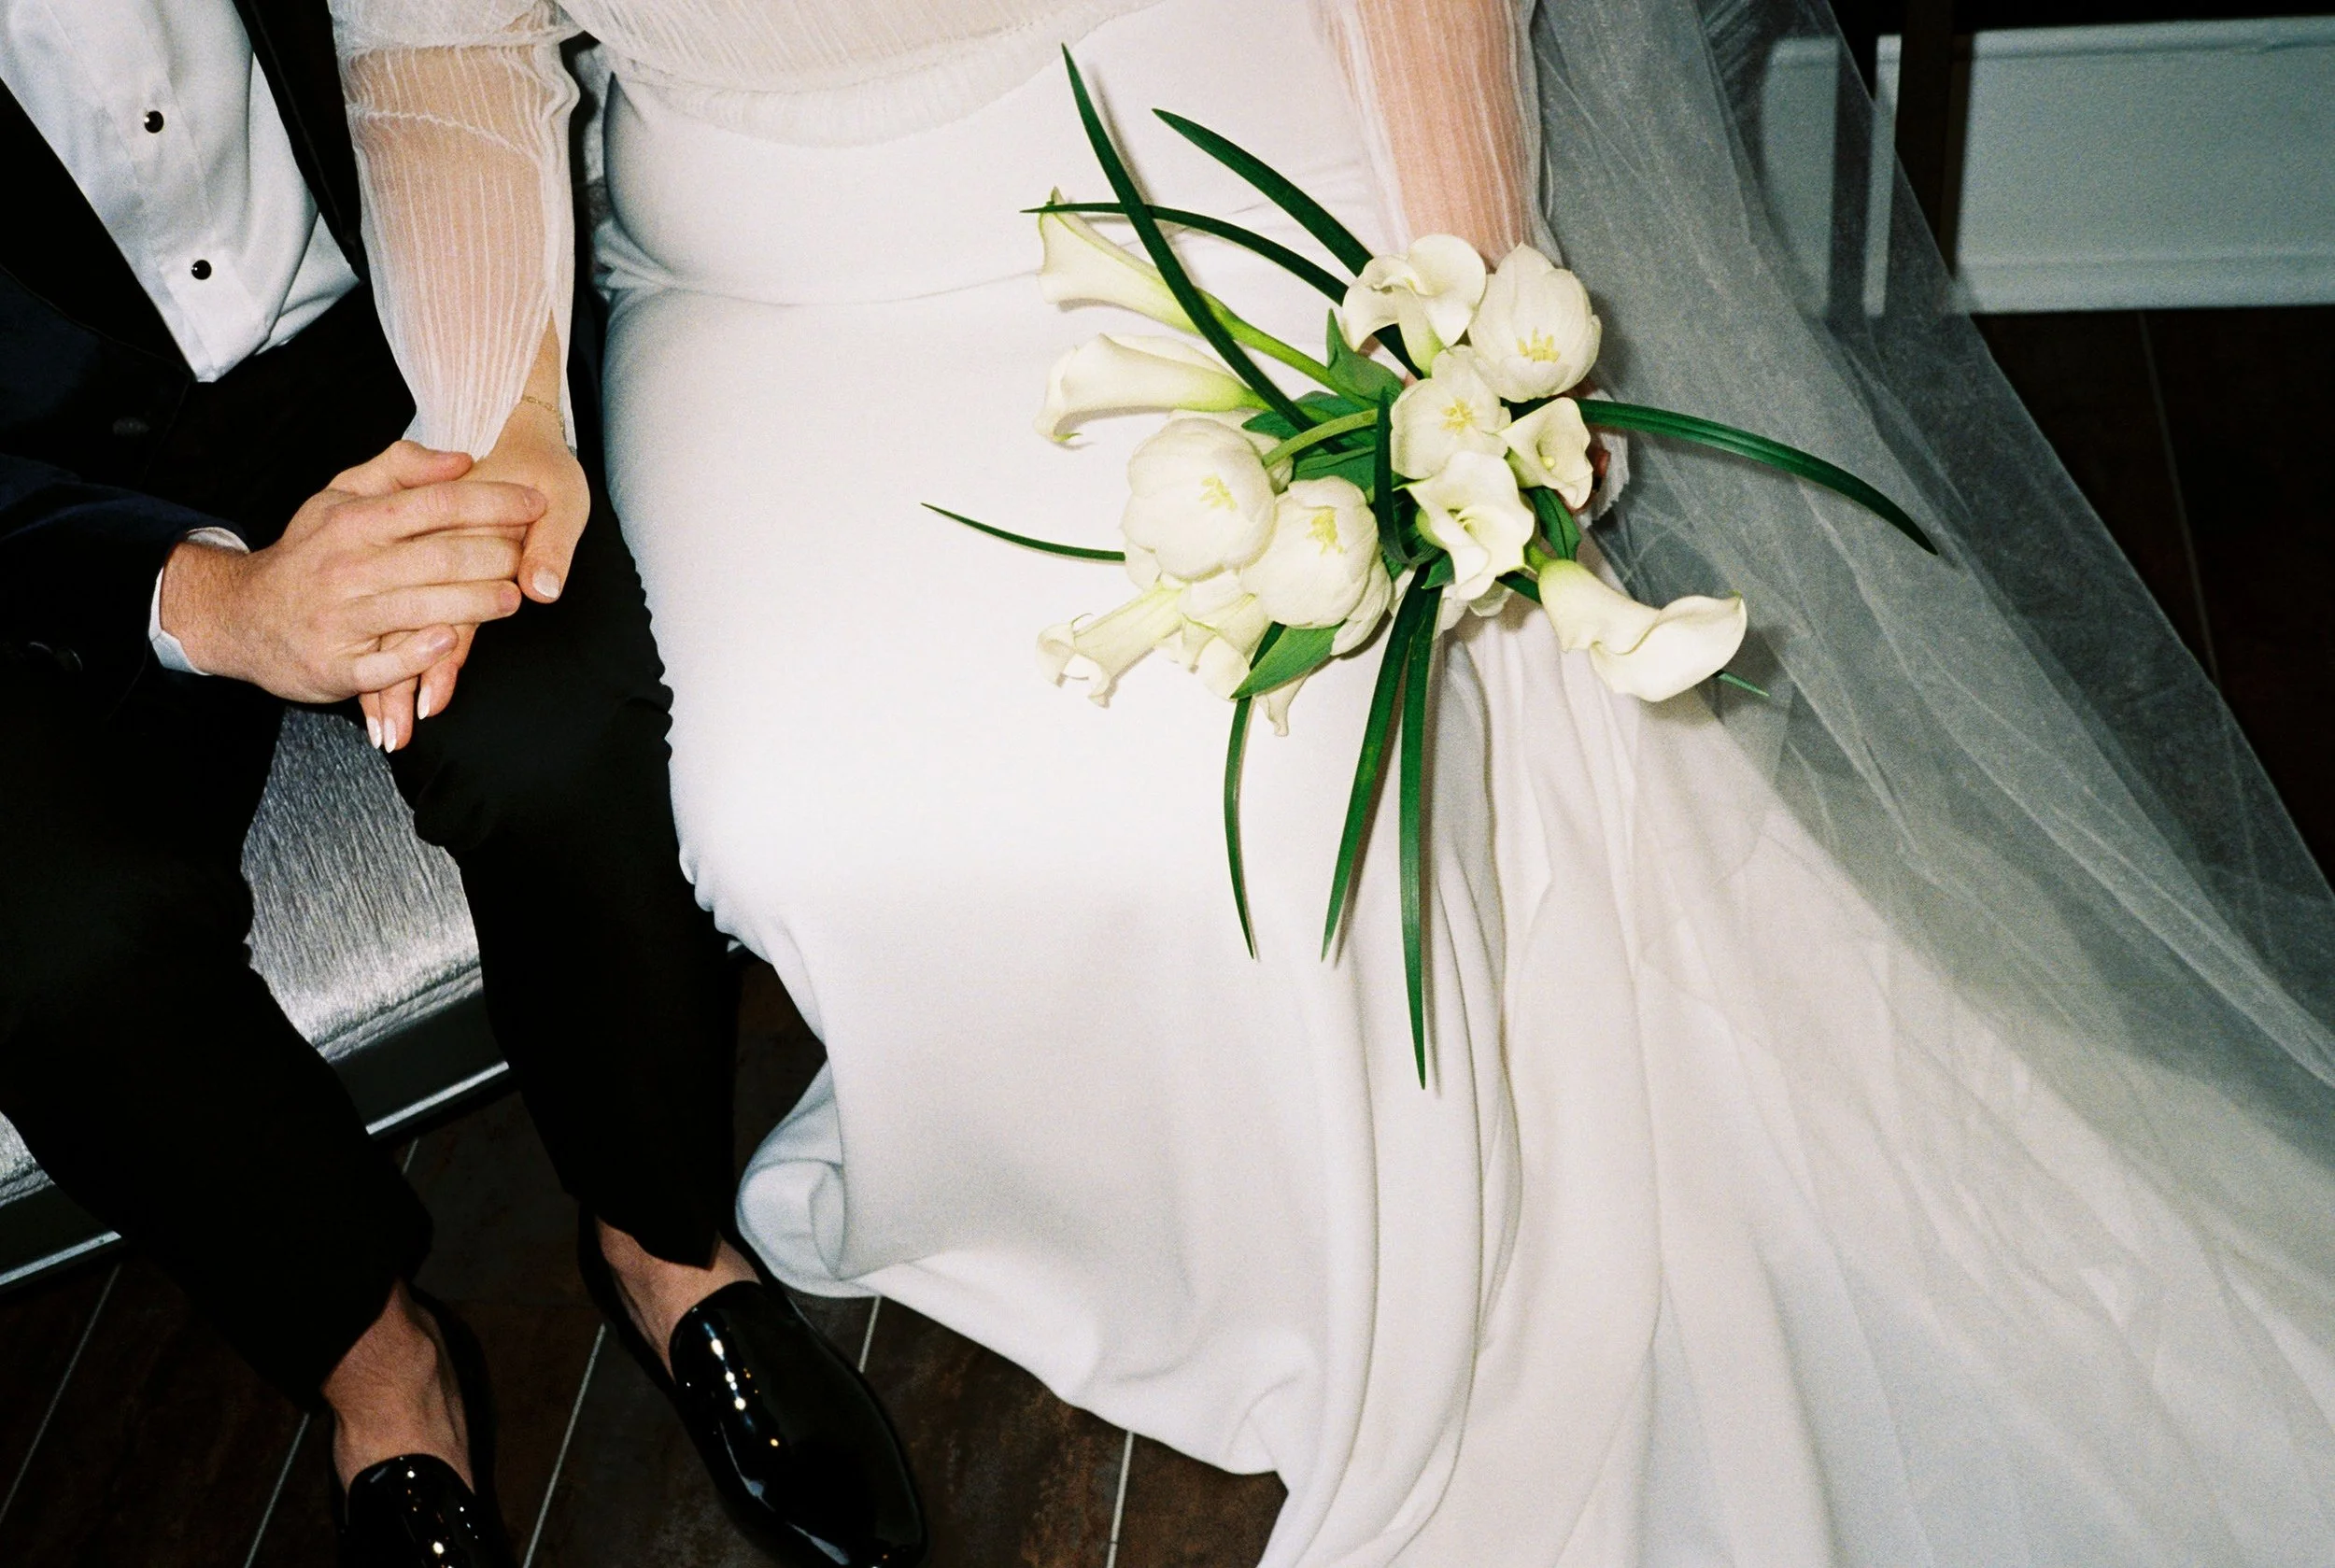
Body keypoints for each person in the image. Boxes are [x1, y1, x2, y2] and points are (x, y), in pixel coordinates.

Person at [333, 0, 2335, 1561]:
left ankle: (1360, 1249)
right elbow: (439, 38)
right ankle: (1080, 1201)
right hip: (773, 278)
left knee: (1281, 772)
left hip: (1199, 135)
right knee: (786, 811)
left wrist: (1463, 302)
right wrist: (495, 413)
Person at [0, 4, 922, 1564]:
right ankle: (382, 1371)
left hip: (391, 327)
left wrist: (488, 392)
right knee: (44, 948)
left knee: (559, 732)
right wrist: (213, 602)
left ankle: (663, 1244)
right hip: (38, 524)